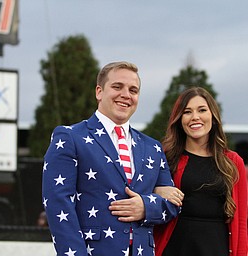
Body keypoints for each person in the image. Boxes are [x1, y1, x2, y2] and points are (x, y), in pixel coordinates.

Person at [42, 61, 181, 256]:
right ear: (99, 92)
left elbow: (173, 206)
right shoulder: (70, 137)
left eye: (133, 90)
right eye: (117, 87)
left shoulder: (153, 148)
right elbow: (58, 204)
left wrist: (145, 206)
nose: (126, 95)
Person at [154, 87, 247, 256]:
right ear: (179, 119)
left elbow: (241, 221)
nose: (195, 117)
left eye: (202, 110)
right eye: (187, 112)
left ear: (213, 115)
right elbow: (142, 193)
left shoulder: (233, 162)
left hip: (216, 247)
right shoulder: (164, 157)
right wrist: (156, 190)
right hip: (175, 247)